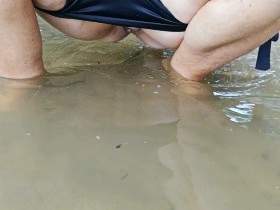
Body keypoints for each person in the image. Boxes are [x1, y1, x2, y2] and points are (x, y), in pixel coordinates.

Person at [0, 0, 279, 80]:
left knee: (184, 80)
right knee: (23, 88)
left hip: (183, 17)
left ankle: (187, 76)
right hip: (85, 14)